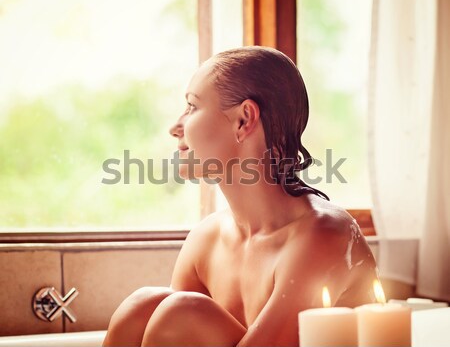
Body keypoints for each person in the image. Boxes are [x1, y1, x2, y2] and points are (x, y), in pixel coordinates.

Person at [102, 46, 378, 347]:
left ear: (244, 120)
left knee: (181, 313)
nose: (174, 127)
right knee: (143, 307)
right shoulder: (207, 238)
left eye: (192, 107)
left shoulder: (325, 235)